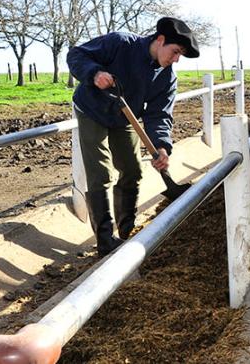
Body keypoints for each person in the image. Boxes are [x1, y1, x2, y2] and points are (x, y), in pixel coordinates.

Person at [67, 17, 200, 255]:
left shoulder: (167, 78)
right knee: (101, 173)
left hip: (125, 116)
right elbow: (76, 55)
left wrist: (161, 147)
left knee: (133, 170)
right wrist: (95, 73)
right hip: (92, 109)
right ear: (160, 40)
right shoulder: (120, 43)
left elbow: (159, 115)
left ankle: (127, 231)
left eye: (180, 55)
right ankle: (106, 240)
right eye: (175, 51)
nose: (176, 59)